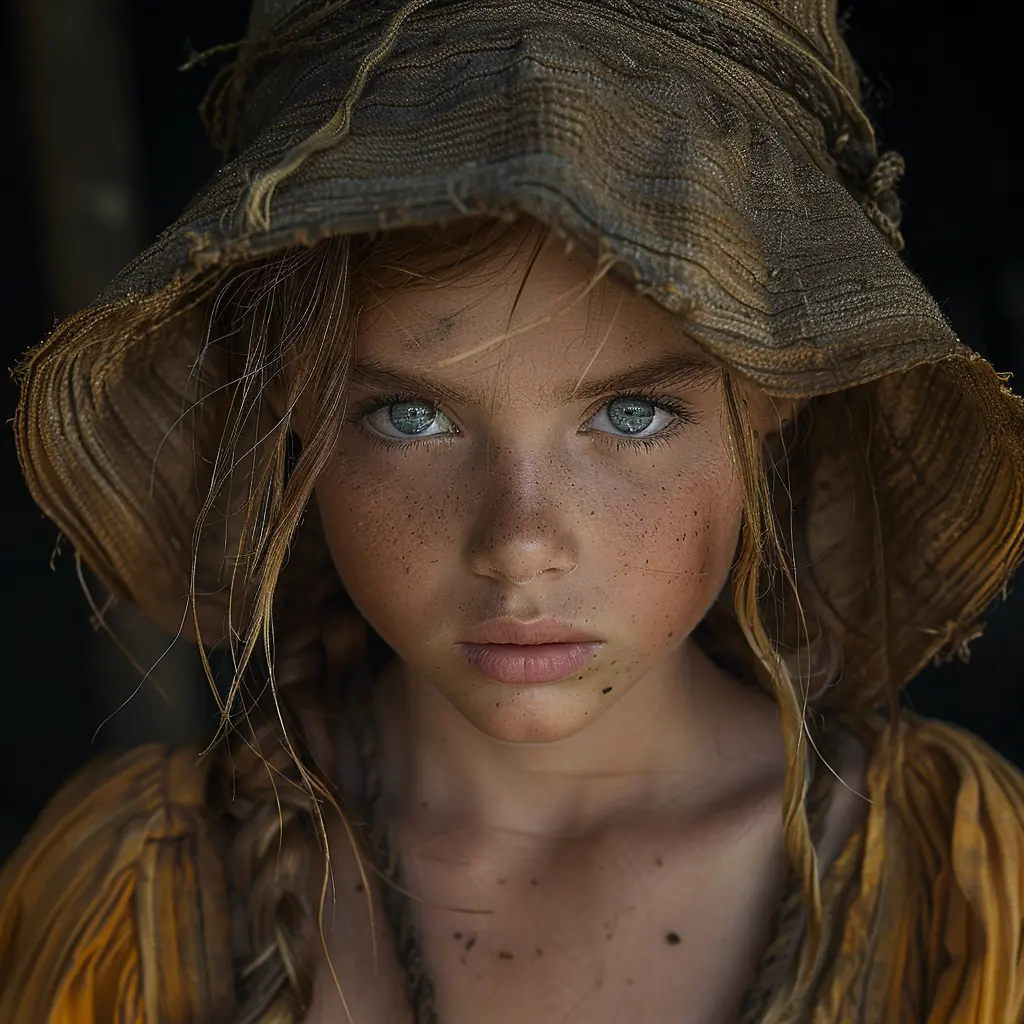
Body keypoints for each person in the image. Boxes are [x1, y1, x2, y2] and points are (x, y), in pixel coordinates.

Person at [1, 1, 1023, 1022]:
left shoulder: (962, 892)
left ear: (776, 390)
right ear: (291, 398)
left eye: (632, 414)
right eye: (411, 417)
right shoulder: (133, 906)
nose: (521, 544)